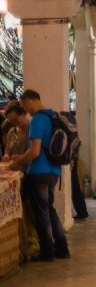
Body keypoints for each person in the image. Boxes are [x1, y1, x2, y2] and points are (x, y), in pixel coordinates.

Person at [9, 90, 70, 262]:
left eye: (24, 106)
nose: (25, 110)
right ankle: (62, 248)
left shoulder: (37, 119)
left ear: (28, 100)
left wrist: (18, 162)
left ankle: (47, 251)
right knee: (50, 210)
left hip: (39, 172)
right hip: (54, 171)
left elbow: (35, 151)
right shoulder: (52, 115)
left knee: (41, 213)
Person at [2, 101, 40, 258]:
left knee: (32, 210)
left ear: (23, 115)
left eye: (16, 120)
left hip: (31, 174)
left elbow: (35, 152)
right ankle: (25, 242)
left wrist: (21, 158)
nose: (14, 123)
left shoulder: (32, 129)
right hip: (16, 175)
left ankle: (35, 242)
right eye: (11, 121)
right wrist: (6, 156)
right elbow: (8, 150)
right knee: (22, 210)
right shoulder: (12, 132)